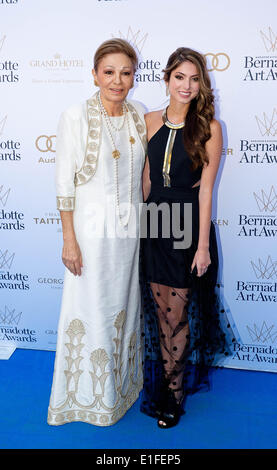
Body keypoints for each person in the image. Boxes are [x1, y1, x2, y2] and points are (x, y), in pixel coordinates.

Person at [47, 39, 147, 427]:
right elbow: (64, 184)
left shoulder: (138, 113)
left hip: (130, 235)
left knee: (124, 307)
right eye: (109, 72)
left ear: (133, 76)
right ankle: (87, 399)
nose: (117, 81)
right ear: (94, 74)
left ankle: (123, 388)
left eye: (126, 72)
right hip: (90, 237)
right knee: (91, 309)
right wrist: (68, 239)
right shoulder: (75, 116)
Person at [140, 47, 234, 428]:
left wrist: (202, 246)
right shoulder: (147, 120)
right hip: (154, 224)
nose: (187, 85)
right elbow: (146, 179)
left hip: (186, 227)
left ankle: (174, 394)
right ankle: (166, 383)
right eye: (180, 77)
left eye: (195, 79)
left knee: (177, 316)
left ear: (202, 84)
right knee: (160, 314)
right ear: (166, 80)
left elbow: (206, 191)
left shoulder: (210, 127)